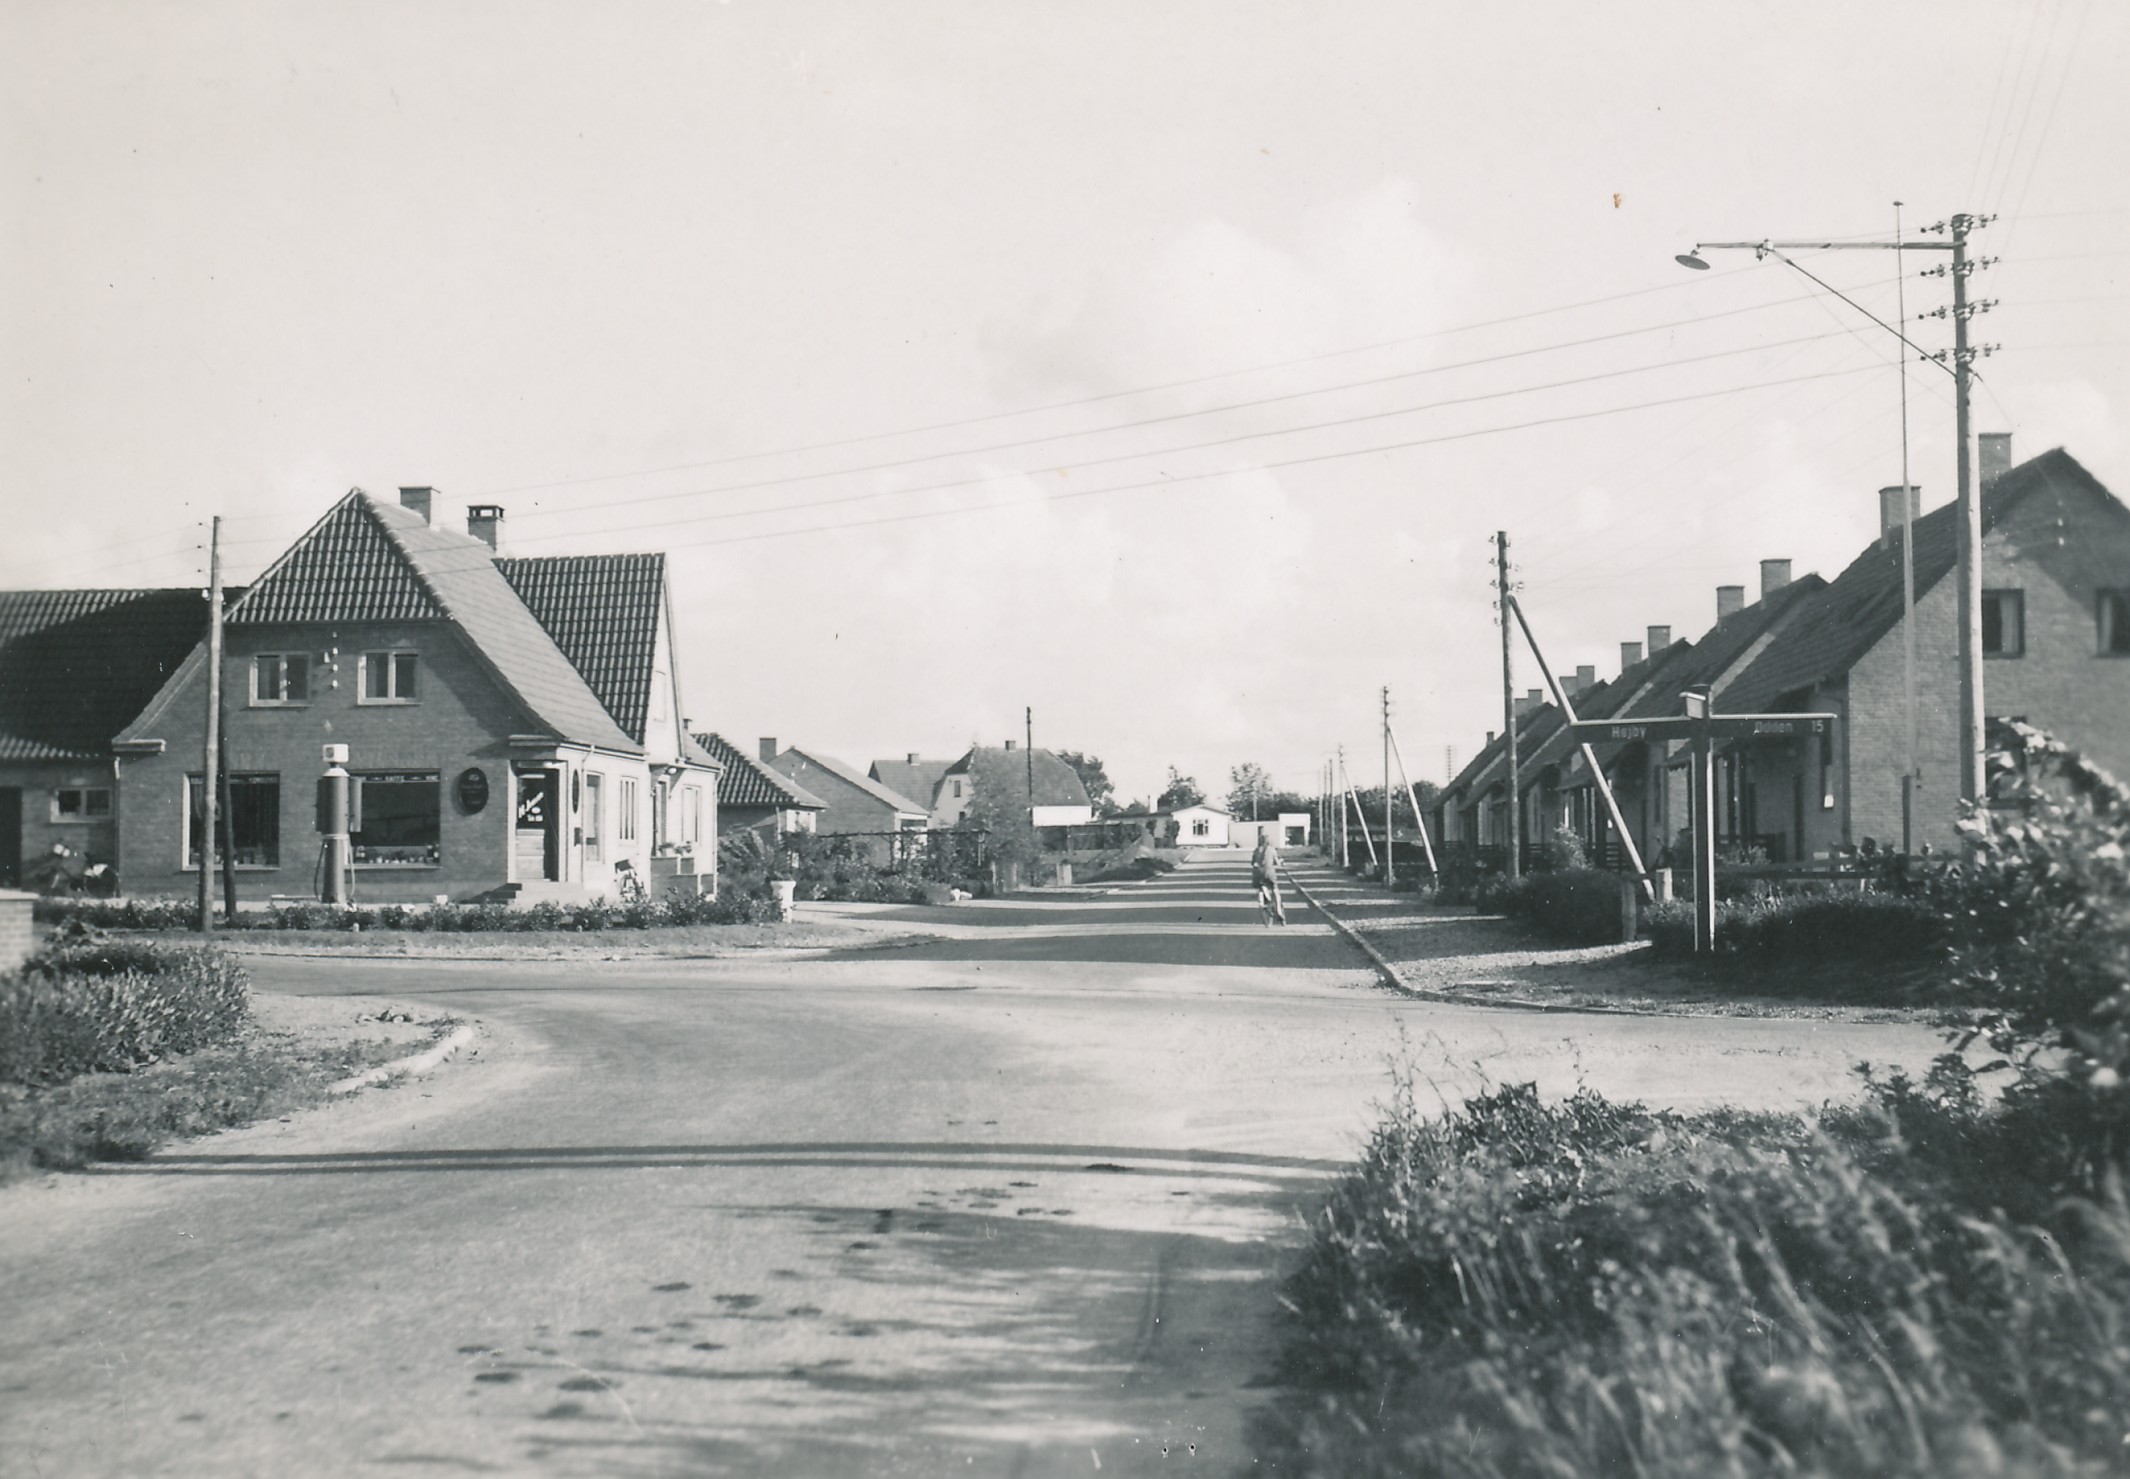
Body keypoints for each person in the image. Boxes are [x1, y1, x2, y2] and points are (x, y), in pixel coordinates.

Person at [1251, 832, 1287, 926]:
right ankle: (1279, 910)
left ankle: (1264, 904)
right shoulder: (1272, 850)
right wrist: (1281, 862)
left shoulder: (1256, 850)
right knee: (1275, 890)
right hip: (1269, 873)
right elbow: (1277, 863)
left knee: (1261, 886)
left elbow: (1253, 863)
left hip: (1258, 874)